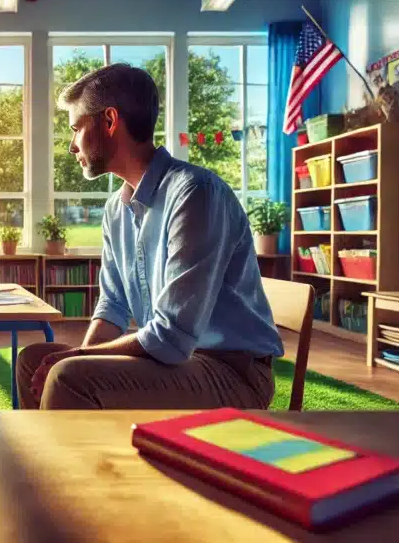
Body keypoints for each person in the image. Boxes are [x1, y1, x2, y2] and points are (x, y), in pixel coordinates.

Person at [17, 63, 283, 410]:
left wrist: (79, 359)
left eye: (76, 128)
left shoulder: (195, 194)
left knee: (68, 376)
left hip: (230, 372)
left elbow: (171, 337)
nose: (72, 146)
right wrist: (82, 356)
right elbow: (112, 307)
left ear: (109, 121)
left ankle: (69, 464)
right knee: (33, 361)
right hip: (172, 361)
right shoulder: (116, 209)